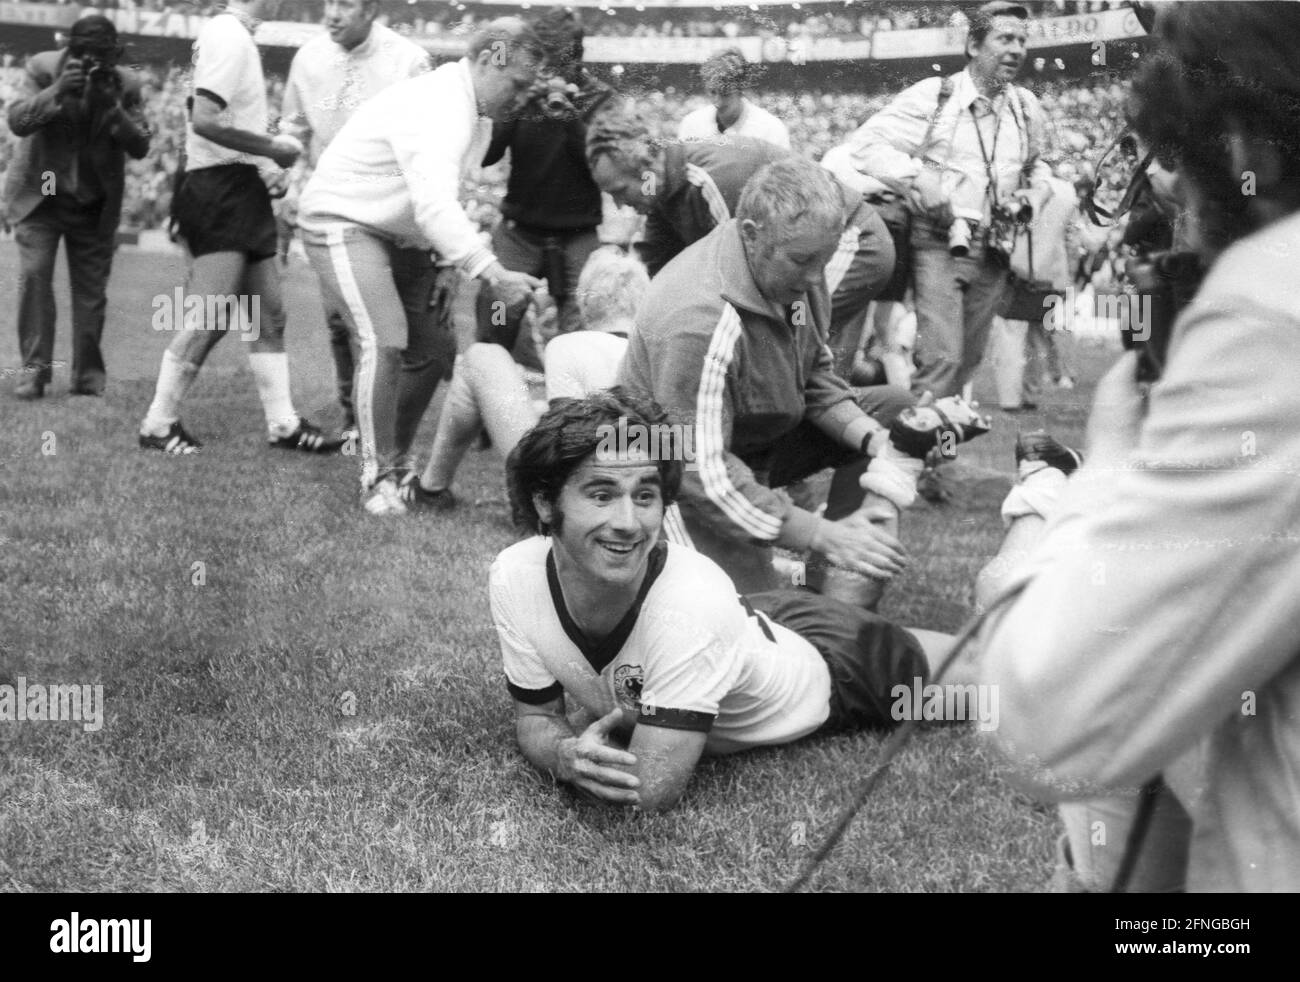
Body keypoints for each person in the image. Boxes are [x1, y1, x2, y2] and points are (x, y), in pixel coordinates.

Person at [973, 2, 1300, 891]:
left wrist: (1104, 472)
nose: (1184, 226)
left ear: (1243, 154)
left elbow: (1045, 716)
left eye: (1181, 178)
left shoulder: (1274, 305)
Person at [492, 389, 957, 812]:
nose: (629, 522)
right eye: (601, 494)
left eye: (646, 495)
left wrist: (576, 756)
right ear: (545, 504)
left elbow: (648, 788)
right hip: (753, 622)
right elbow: (536, 716)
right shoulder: (515, 576)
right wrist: (563, 755)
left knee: (991, 680)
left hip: (837, 666)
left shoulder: (692, 605)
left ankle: (912, 464)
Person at [618, 156, 988, 606]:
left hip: (748, 442)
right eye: (803, 261)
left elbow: (814, 374)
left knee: (891, 409)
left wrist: (883, 444)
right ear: (752, 235)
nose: (817, 277)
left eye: (825, 259)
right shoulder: (698, 322)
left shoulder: (794, 272)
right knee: (749, 620)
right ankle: (812, 566)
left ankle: (839, 585)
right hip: (672, 476)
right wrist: (819, 534)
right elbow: (701, 473)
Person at [296, 18, 548, 515]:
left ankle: (395, 462)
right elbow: (434, 206)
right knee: (383, 338)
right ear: (486, 59)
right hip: (342, 218)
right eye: (516, 83)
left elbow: (434, 201)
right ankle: (376, 477)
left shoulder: (473, 113)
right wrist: (491, 271)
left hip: (395, 231)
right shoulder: (442, 104)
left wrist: (447, 265)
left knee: (433, 349)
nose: (520, 97)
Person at [137, 0, 339, 455]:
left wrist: (264, 164)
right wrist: (271, 146)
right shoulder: (229, 35)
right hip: (219, 190)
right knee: (210, 315)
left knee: (269, 313)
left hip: (236, 186)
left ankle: (283, 424)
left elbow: (220, 122)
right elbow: (205, 120)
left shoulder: (233, 34)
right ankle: (157, 423)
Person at [586, 104, 894, 378]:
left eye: (619, 190)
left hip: (851, 240)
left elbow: (741, 285)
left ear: (647, 170)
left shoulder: (712, 180)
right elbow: (655, 281)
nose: (617, 204)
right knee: (791, 352)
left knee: (789, 339)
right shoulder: (662, 194)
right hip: (813, 249)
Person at [841, 1, 1051, 404]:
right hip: (939, 238)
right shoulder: (936, 96)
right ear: (974, 45)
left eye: (1022, 40)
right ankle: (912, 461)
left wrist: (1036, 194)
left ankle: (938, 456)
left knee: (967, 362)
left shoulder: (1026, 106)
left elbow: (1038, 166)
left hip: (996, 247)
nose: (1017, 49)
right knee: (942, 359)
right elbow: (865, 145)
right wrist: (918, 176)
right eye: (1004, 38)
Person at [281, 0, 434, 444]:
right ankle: (355, 421)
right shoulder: (308, 57)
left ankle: (391, 428)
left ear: (371, 9)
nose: (330, 12)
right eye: (326, 2)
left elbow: (428, 146)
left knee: (416, 339)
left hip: (393, 213)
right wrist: (286, 182)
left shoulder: (409, 61)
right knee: (340, 320)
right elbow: (292, 130)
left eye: (344, 4)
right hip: (334, 210)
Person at [411, 247, 647, 507]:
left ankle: (431, 488)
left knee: (482, 355)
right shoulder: (654, 350)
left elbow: (564, 437)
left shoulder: (568, 343)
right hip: (632, 479)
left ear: (583, 303)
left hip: (575, 490)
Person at [5, 15, 150, 399]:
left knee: (91, 293)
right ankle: (34, 373)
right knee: (35, 277)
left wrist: (112, 108)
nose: (91, 64)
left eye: (100, 57)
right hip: (43, 195)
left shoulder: (125, 83)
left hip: (92, 202)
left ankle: (87, 378)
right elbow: (19, 122)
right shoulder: (42, 67)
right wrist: (56, 91)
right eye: (84, 56)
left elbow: (141, 145)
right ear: (69, 49)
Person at [474, 8, 615, 363]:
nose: (550, 70)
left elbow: (604, 168)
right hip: (520, 232)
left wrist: (570, 119)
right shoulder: (523, 88)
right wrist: (515, 104)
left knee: (584, 326)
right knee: (497, 316)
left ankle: (572, 406)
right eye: (545, 59)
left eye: (559, 60)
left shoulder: (599, 98)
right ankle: (495, 390)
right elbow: (487, 155)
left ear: (576, 56)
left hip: (579, 234)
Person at [989, 172, 1079, 411]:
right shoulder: (1068, 192)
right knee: (1039, 337)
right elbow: (1071, 236)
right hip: (1053, 272)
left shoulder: (1023, 186)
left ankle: (1010, 399)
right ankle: (1032, 395)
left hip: (1019, 267)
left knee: (1009, 334)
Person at [676, 47, 790, 150]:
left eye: (725, 93)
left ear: (742, 88)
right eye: (712, 92)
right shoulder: (692, 124)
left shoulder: (771, 130)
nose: (718, 101)